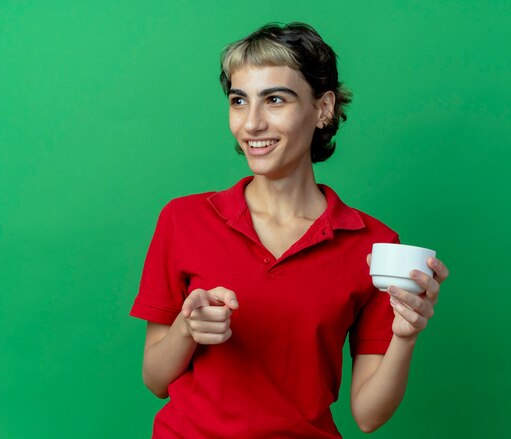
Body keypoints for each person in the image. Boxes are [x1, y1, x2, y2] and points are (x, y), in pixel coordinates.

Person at [130, 22, 449, 438]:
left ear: (323, 108)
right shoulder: (184, 218)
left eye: (275, 99)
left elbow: (369, 415)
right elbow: (155, 379)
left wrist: (405, 336)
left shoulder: (373, 244)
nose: (252, 124)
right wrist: (187, 330)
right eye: (239, 101)